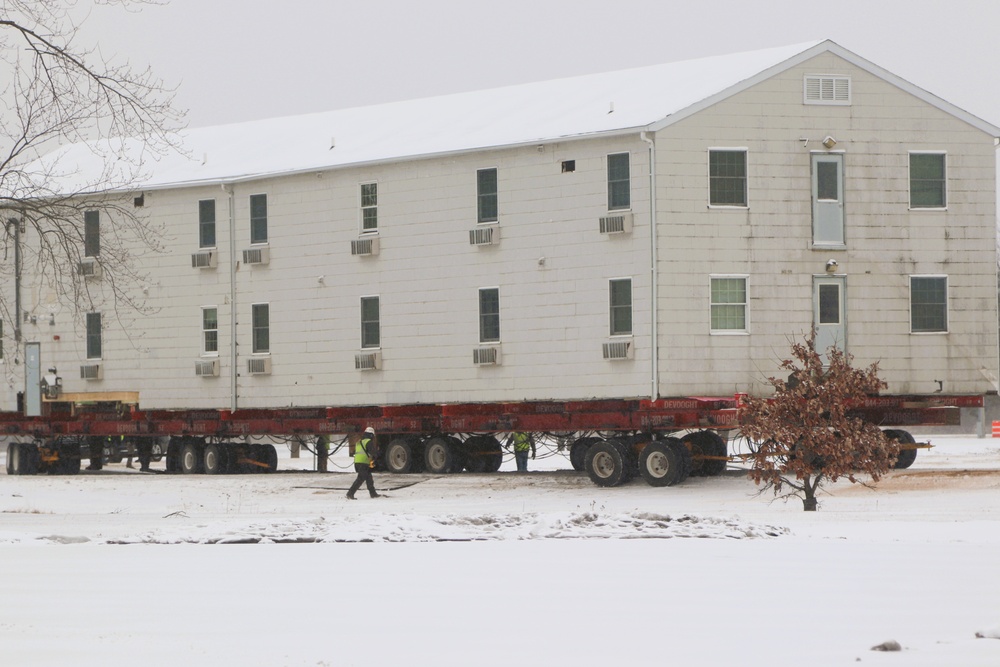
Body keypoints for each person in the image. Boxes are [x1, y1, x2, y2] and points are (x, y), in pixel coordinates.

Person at [347, 427, 381, 499]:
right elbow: (372, 452)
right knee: (360, 479)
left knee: (369, 478)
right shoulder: (368, 442)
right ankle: (350, 493)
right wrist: (378, 454)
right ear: (371, 435)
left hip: (357, 463)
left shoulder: (359, 441)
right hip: (363, 463)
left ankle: (373, 493)